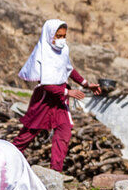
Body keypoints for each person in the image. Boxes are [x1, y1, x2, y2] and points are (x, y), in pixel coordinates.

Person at [12, 19, 102, 172]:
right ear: (49, 35)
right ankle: (5, 162)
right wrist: (68, 92)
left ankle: (55, 172)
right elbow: (46, 84)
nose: (61, 40)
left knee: (64, 132)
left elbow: (68, 69)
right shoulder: (43, 53)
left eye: (63, 36)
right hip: (45, 100)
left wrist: (86, 84)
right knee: (27, 135)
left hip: (60, 100)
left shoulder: (63, 50)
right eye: (58, 36)